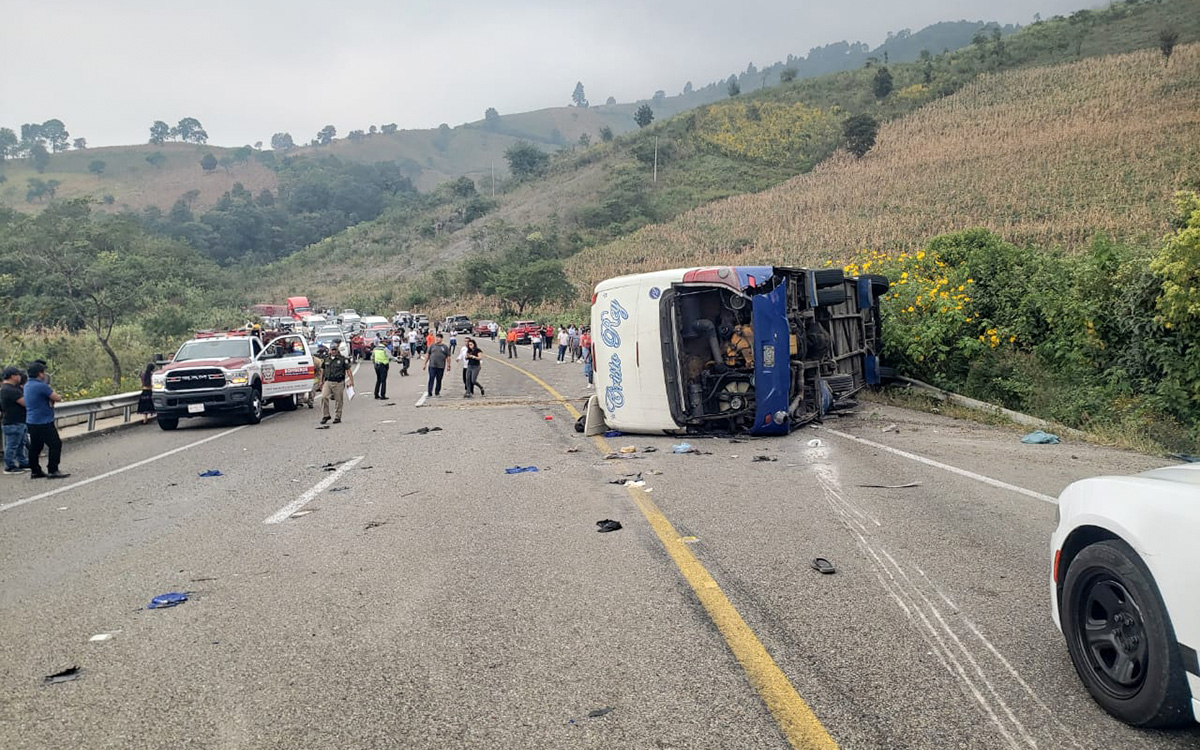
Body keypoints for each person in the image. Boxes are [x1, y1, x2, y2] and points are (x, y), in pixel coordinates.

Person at [25, 361, 68, 479]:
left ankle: (35, 470)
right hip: (43, 421)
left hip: (31, 421)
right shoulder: (41, 386)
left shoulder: (27, 385)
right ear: (40, 373)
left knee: (35, 446)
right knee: (55, 444)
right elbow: (57, 397)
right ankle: (53, 469)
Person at [2, 366, 30, 474]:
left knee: (20, 444)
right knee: (12, 445)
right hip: (13, 422)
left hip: (18, 421)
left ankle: (23, 462)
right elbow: (25, 403)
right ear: (12, 376)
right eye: (18, 375)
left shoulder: (10, 388)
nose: (20, 377)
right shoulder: (10, 390)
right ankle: (10, 466)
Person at [320, 340, 354, 425]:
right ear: (330, 350)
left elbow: (348, 370)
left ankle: (337, 417)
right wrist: (321, 381)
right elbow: (322, 370)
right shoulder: (326, 359)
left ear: (337, 350)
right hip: (328, 381)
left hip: (338, 382)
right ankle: (326, 415)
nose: (334, 351)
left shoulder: (342, 359)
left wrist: (351, 380)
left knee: (338, 400)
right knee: (324, 397)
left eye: (335, 350)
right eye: (332, 350)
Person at [423, 333, 451, 397]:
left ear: (441, 339)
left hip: (441, 366)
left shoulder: (445, 347)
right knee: (431, 378)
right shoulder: (432, 346)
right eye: (436, 337)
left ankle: (437, 392)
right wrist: (424, 364)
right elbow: (428, 355)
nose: (437, 339)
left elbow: (448, 357)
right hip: (432, 366)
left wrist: (448, 365)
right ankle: (429, 392)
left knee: (439, 379)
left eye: (438, 338)